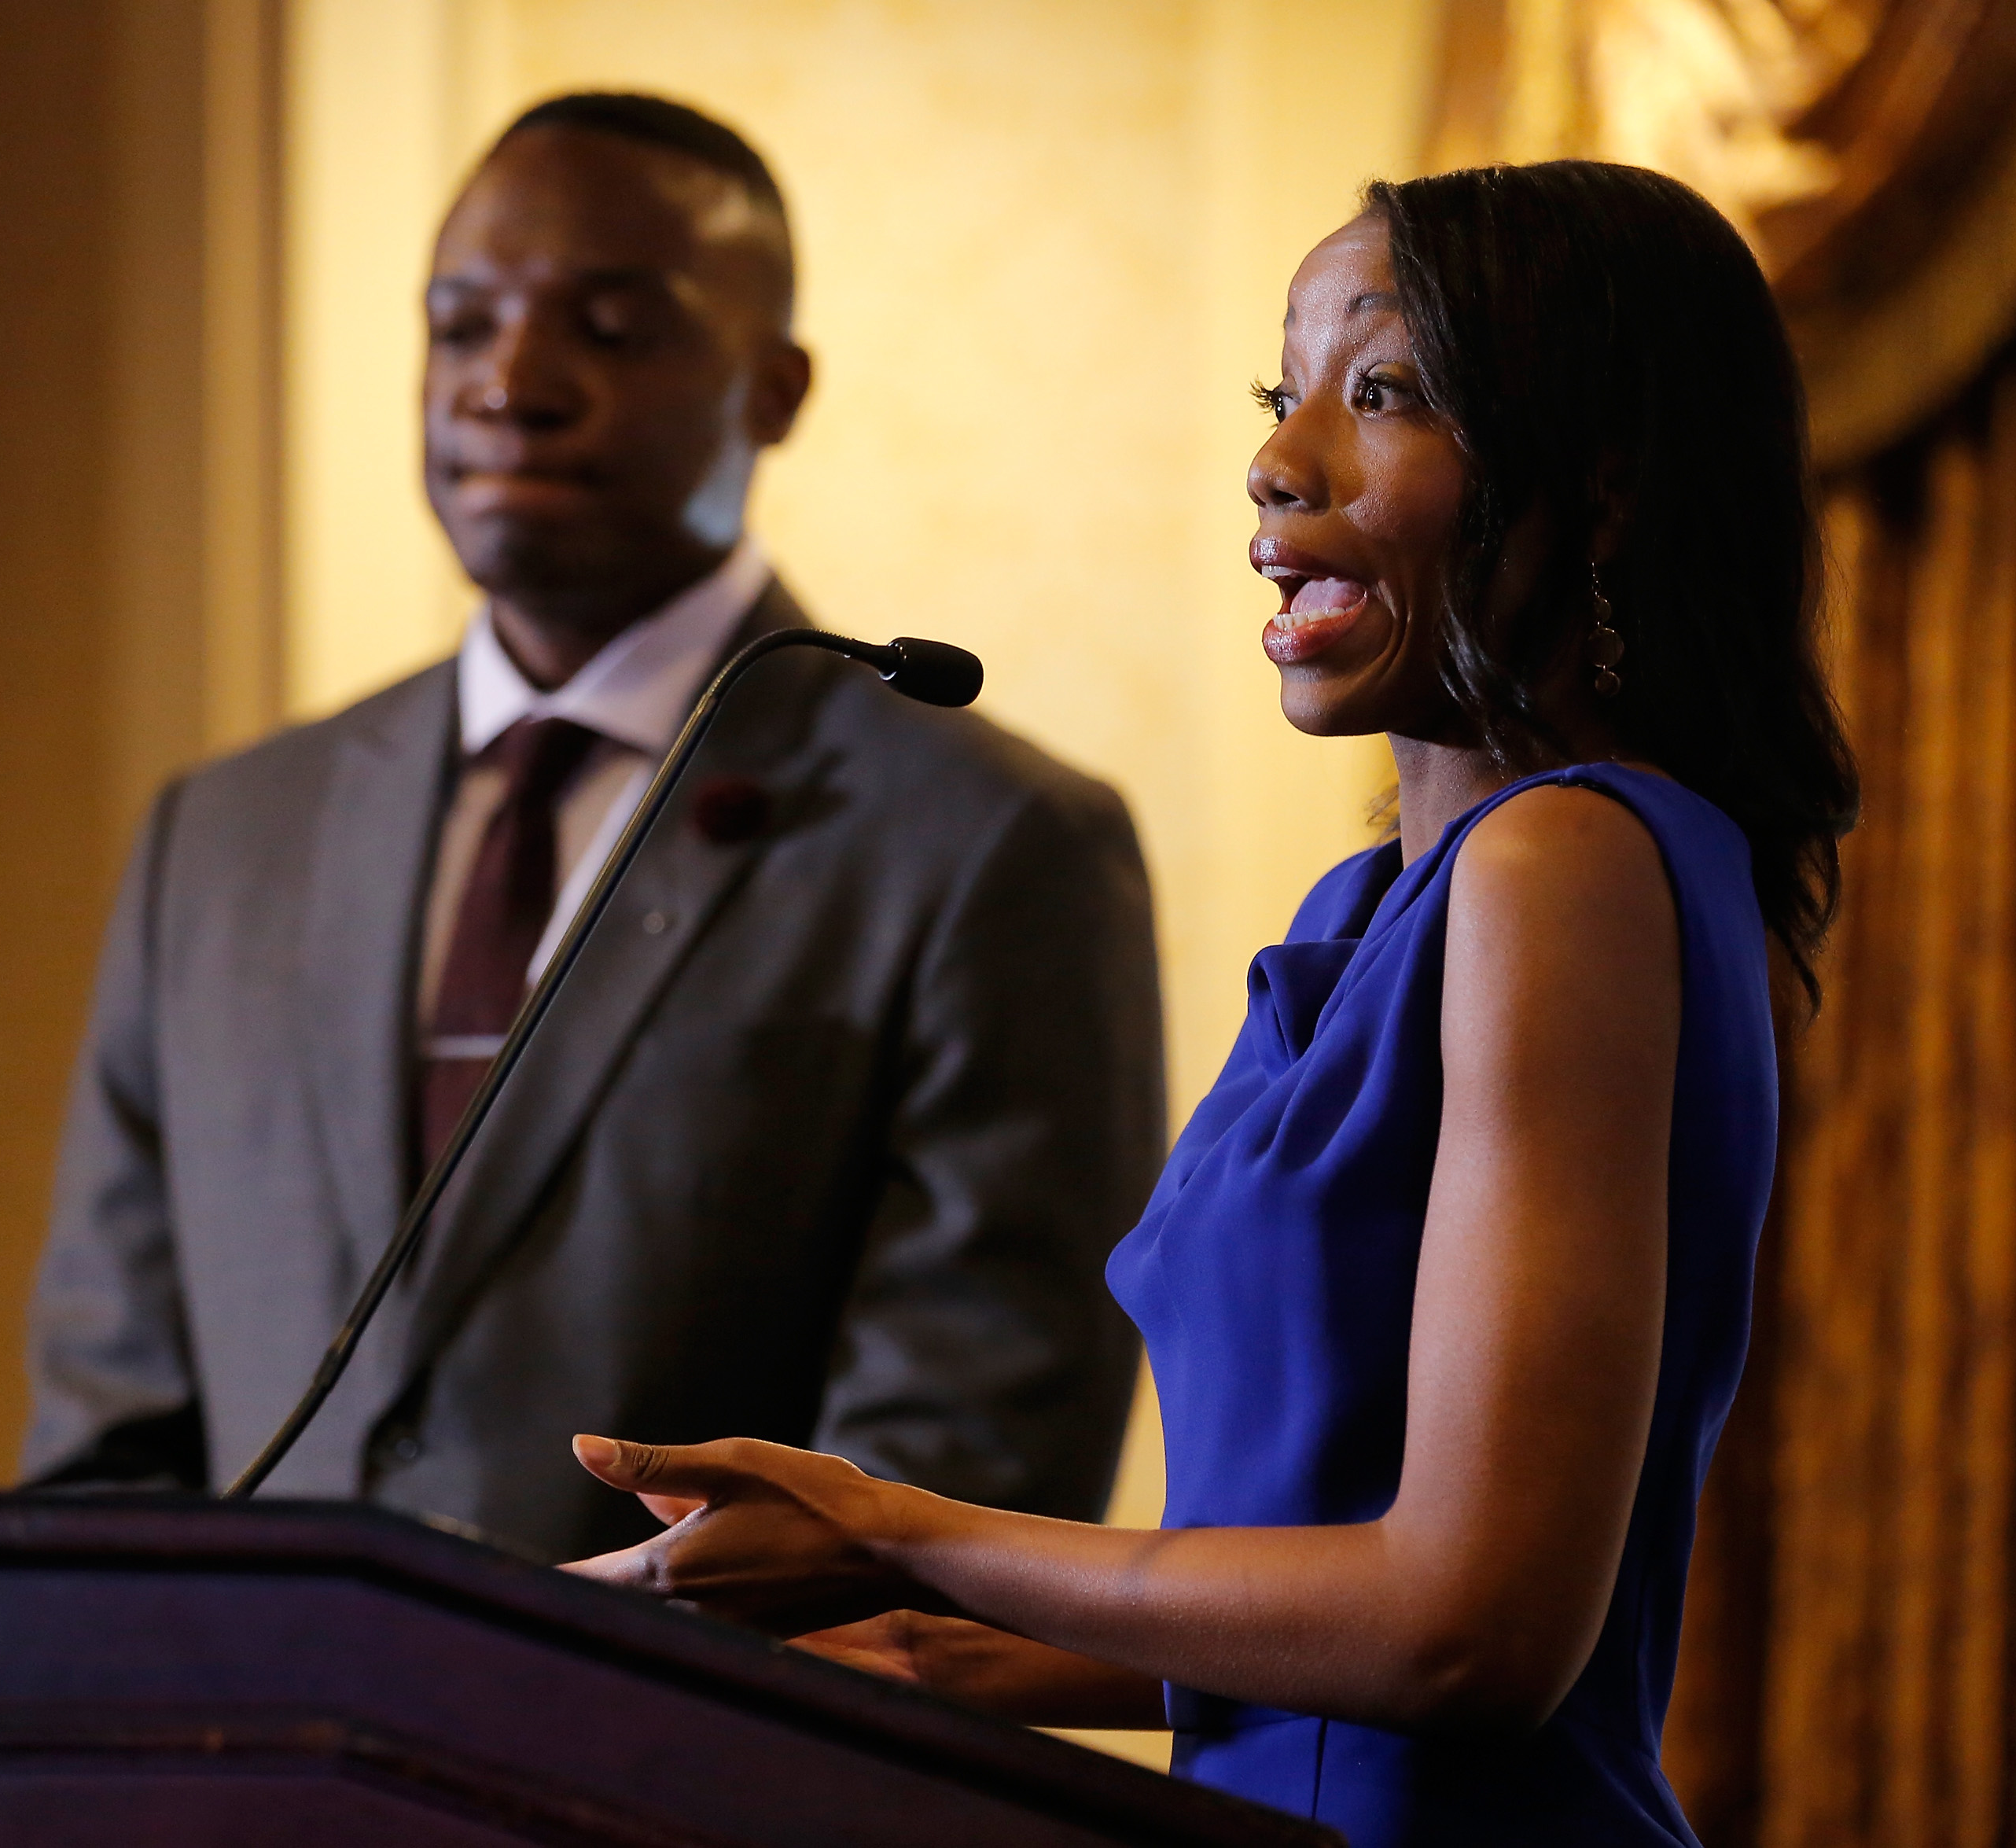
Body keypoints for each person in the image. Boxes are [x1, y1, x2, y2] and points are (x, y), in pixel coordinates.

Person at [562, 160, 1860, 1845]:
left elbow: (1473, 1629)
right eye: (1281, 393)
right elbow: (1315, 1602)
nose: (1278, 460)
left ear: (1603, 489)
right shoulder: (1370, 913)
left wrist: (892, 1527)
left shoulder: (1571, 866)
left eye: (1383, 393)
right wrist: (894, 1645)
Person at [21, 93, 1165, 1560]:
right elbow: (104, 1449)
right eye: (460, 325)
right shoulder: (224, 836)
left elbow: (958, 1489)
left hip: (697, 1715)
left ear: (775, 390)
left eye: (612, 330)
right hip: (234, 1713)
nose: (510, 383)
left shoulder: (991, 843)